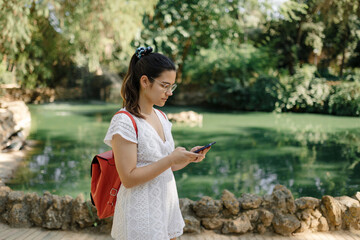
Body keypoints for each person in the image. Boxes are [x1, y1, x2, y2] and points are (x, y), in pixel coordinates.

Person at [103, 46, 211, 240]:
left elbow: (168, 164)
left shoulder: (161, 117)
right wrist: (170, 159)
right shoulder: (124, 121)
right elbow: (128, 178)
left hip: (165, 207)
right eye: (164, 85)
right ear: (145, 81)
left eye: (172, 86)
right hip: (139, 214)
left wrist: (188, 157)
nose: (169, 92)